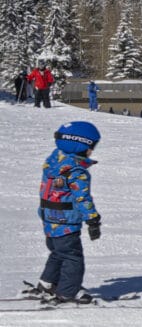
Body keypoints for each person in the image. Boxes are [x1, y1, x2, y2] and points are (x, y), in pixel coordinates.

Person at [28, 121, 103, 304]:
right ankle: (68, 291)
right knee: (72, 257)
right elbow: (82, 199)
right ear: (80, 144)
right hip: (66, 222)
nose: (91, 151)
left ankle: (47, 283)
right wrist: (93, 220)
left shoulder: (54, 160)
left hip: (48, 219)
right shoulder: (77, 172)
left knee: (58, 252)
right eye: (90, 147)